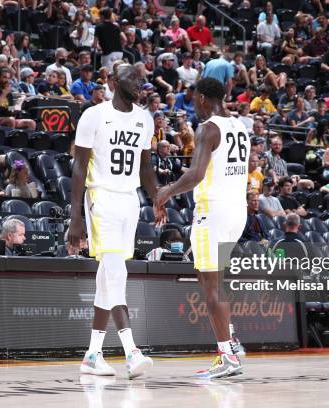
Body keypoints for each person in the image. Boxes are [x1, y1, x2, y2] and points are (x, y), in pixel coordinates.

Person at [68, 64, 162, 379]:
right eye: (132, 77)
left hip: (129, 200)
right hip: (101, 198)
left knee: (107, 279)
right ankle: (131, 351)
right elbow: (79, 169)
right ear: (112, 81)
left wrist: (157, 196)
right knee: (115, 271)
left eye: (141, 78)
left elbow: (146, 167)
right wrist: (75, 218)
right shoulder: (93, 116)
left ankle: (93, 355)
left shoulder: (144, 119)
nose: (140, 82)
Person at [156, 77, 250, 378]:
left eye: (195, 98)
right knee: (207, 276)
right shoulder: (240, 127)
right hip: (237, 211)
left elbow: (197, 174)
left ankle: (227, 356)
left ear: (204, 98)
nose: (194, 103)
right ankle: (231, 342)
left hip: (214, 212)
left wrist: (167, 190)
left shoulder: (207, 128)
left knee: (211, 287)